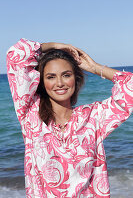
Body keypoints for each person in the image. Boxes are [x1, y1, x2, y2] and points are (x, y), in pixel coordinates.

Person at [7, 38, 133, 198]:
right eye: (51, 77)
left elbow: (130, 86)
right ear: (42, 82)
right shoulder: (31, 114)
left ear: (76, 79)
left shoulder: (92, 117)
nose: (59, 83)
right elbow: (16, 54)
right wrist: (55, 45)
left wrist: (94, 68)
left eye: (66, 75)